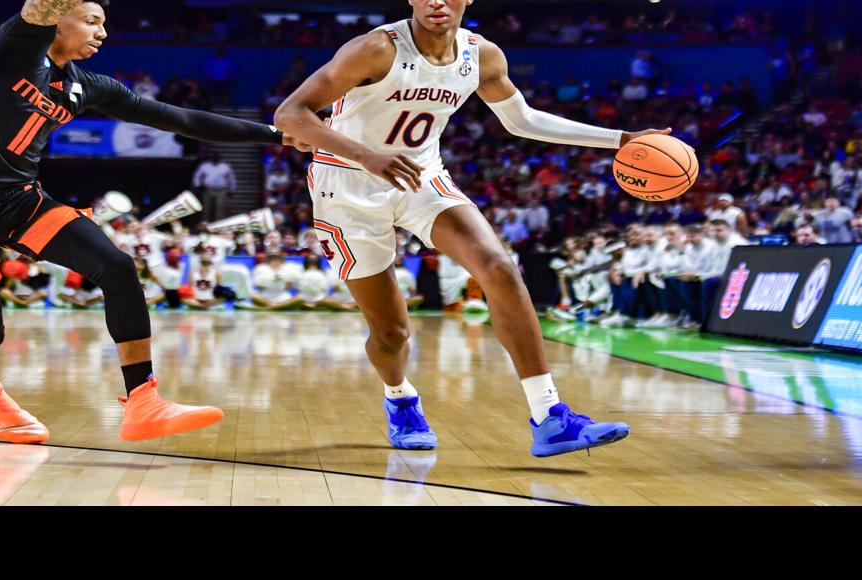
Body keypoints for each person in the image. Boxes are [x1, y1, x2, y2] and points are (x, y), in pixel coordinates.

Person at [0, 0, 311, 443]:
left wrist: (275, 134)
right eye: (92, 21)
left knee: (117, 267)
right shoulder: (4, 56)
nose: (103, 33)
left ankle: (144, 401)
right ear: (56, 21)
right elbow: (37, 7)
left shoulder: (85, 86)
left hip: (18, 201)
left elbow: (179, 119)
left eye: (104, 24)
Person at [273, 0, 667, 456]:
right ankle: (400, 398)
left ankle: (549, 416)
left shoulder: (481, 55)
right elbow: (290, 114)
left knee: (498, 267)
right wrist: (367, 155)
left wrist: (621, 140)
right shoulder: (375, 49)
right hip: (346, 188)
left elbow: (523, 120)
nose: (436, 2)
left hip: (421, 176)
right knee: (391, 334)